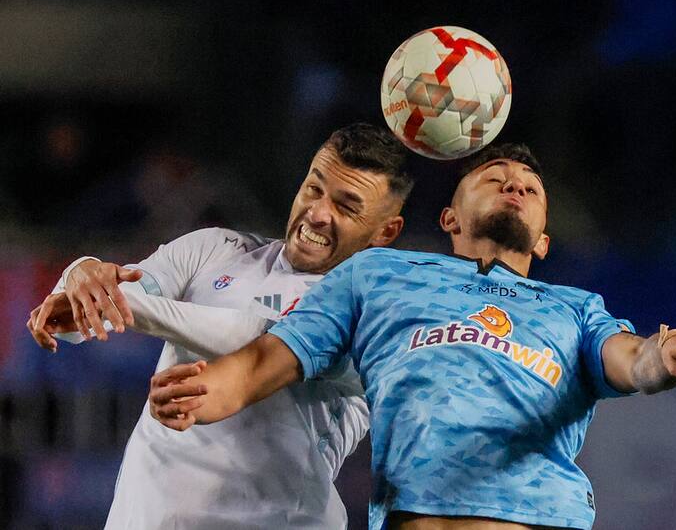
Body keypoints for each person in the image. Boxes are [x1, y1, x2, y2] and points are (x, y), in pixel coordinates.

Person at [149, 142, 676, 530]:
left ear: (545, 240)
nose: (516, 185)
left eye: (530, 187)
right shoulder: (379, 275)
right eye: (496, 176)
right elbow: (272, 357)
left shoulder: (575, 309)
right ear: (449, 219)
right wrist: (213, 390)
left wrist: (665, 353)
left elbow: (630, 360)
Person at [26, 122, 414, 530]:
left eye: (346, 206)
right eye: (314, 189)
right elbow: (88, 314)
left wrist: (139, 310)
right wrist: (80, 275)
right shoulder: (214, 249)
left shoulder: (375, 314)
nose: (317, 214)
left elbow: (263, 343)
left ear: (385, 232)